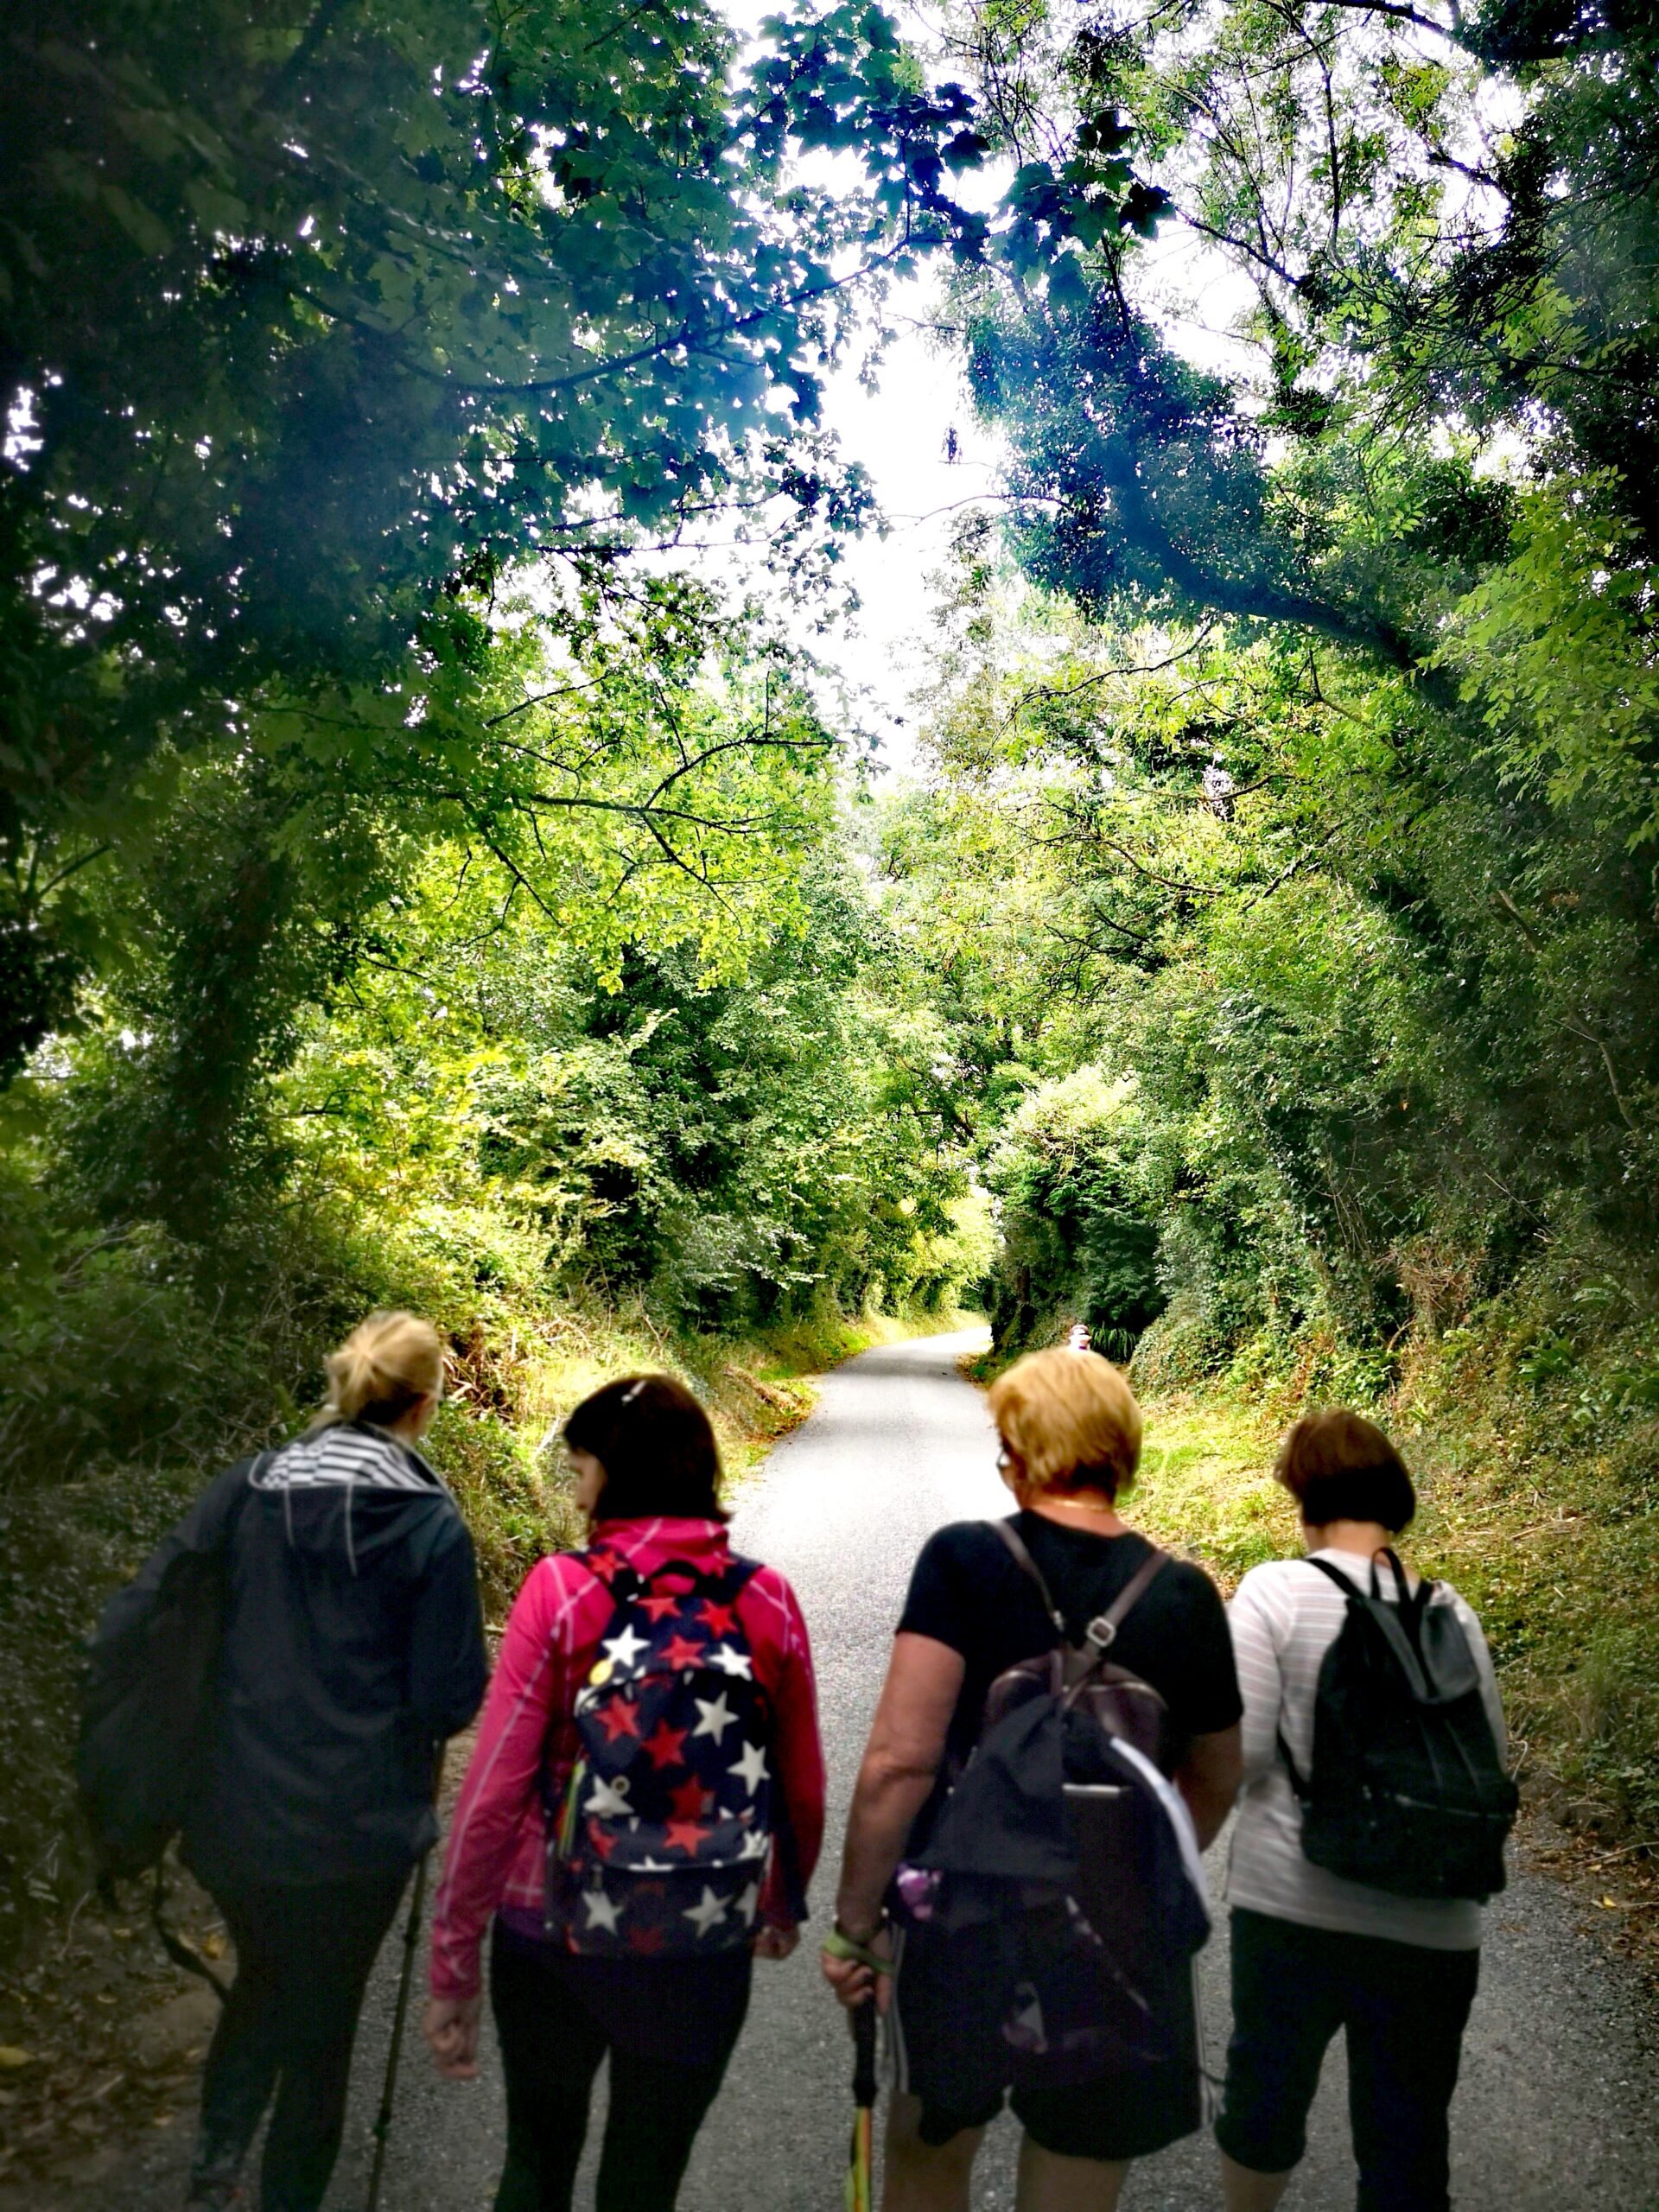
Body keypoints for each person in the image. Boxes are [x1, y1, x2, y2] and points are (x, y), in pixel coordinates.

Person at [822, 1346, 1243, 2212]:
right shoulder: (1185, 1596)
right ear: (1120, 1452)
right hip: (1117, 1935)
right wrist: (1132, 1870)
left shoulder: (966, 1560)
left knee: (930, 2155)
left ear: (1020, 1451)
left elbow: (900, 1761)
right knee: (1076, 2170)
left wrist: (857, 1921)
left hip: (963, 1913)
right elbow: (1215, 1777)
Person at [425, 1373, 826, 2212]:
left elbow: (493, 1791)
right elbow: (802, 1786)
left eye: (581, 1472)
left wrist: (454, 1959)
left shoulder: (561, 1590)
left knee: (536, 2166)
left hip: (551, 1930)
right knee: (645, 2181)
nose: (578, 1496)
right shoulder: (767, 1599)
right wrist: (778, 1902)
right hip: (700, 1934)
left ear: (614, 1472)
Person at [175, 1310, 488, 2211]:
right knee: (324, 2014)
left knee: (266, 1968)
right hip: (358, 1828)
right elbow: (447, 1700)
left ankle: (217, 2160)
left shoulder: (247, 1489)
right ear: (423, 1404)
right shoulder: (428, 1520)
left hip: (233, 1808)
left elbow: (182, 1624)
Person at [1216, 1410, 1507, 2212]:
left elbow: (1244, 1755)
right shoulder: (1450, 1612)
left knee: (1266, 2105)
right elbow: (1487, 1758)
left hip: (1295, 1906)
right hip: (1435, 1920)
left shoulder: (1276, 1591)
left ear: (1302, 1494)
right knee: (1407, 2141)